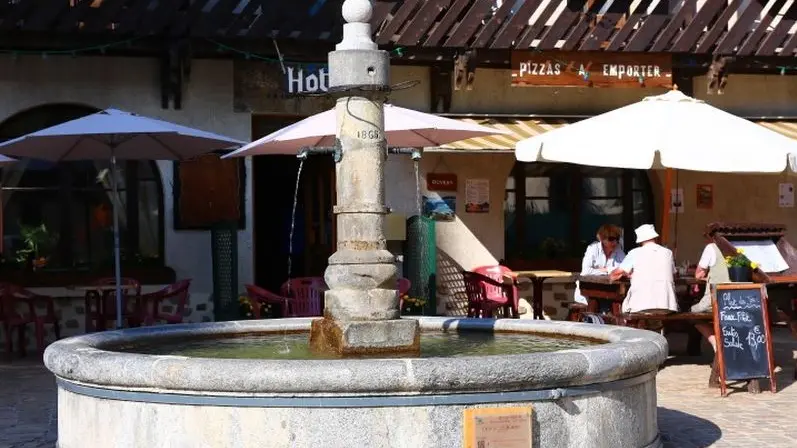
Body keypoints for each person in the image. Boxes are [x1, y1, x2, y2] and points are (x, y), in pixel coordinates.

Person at [610, 224, 678, 314]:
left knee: (623, 308)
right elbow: (674, 275)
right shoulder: (668, 253)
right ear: (655, 238)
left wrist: (626, 274)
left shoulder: (635, 253)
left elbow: (613, 275)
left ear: (640, 240)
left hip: (640, 306)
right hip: (667, 305)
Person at [691, 234, 729, 352]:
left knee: (692, 314)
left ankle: (714, 341)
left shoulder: (711, 247)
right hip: (740, 300)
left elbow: (699, 274)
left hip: (715, 299)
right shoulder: (740, 247)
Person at [573, 224, 625, 304]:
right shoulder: (593, 248)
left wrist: (605, 270)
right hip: (587, 292)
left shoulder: (618, 249)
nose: (615, 242)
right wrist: (609, 271)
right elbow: (586, 271)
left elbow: (625, 268)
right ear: (602, 239)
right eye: (611, 239)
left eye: (617, 239)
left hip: (610, 293)